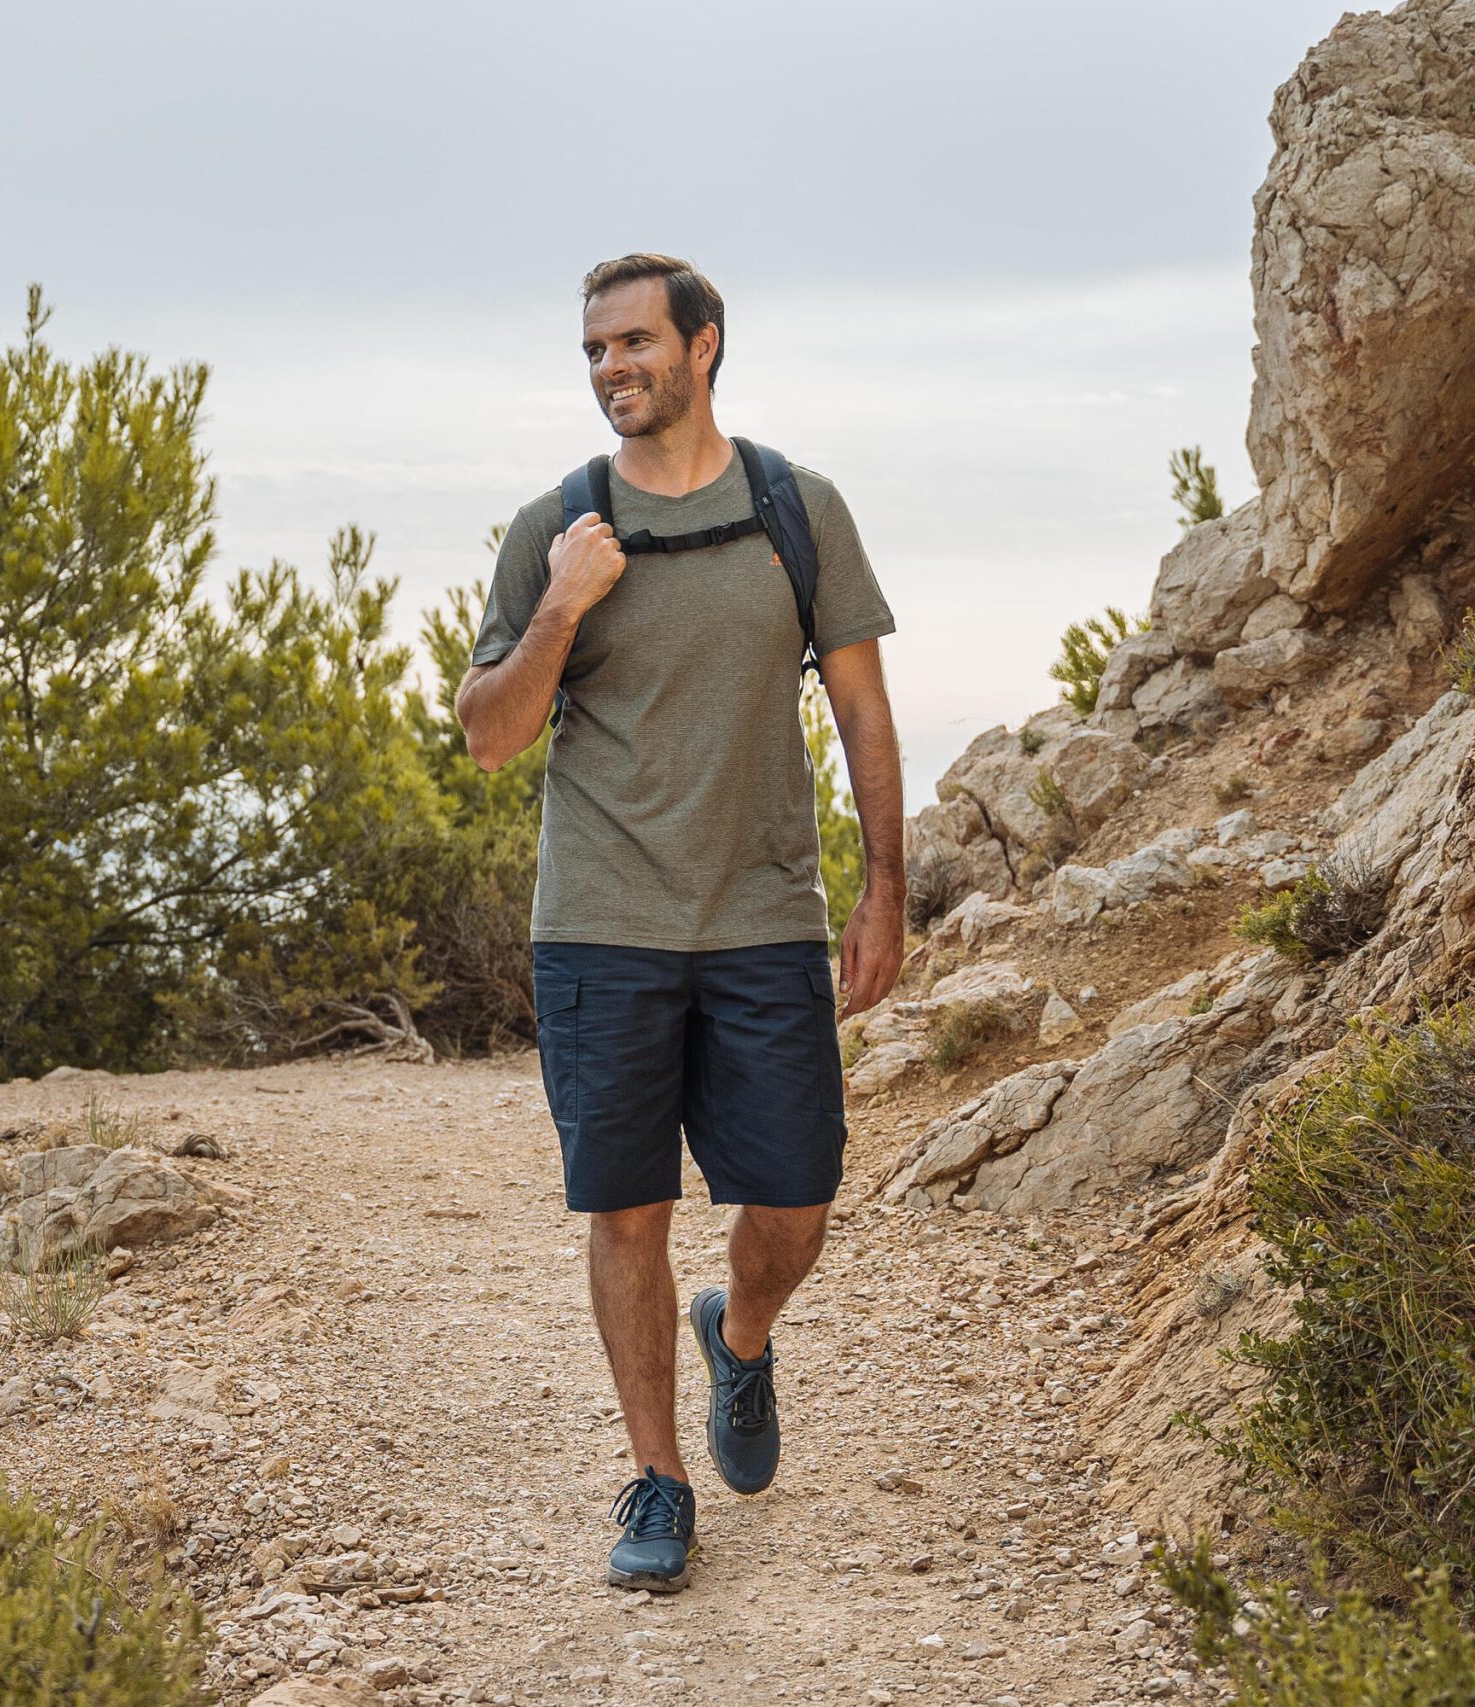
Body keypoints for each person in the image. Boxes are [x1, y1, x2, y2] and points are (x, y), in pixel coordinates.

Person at [453, 253, 905, 1593]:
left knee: (798, 1195)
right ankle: (658, 1480)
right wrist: (562, 605)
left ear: (704, 345)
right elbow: (489, 736)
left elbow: (864, 709)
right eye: (595, 349)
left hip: (765, 913)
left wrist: (886, 887)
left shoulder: (795, 508)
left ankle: (741, 1335)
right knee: (628, 1210)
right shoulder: (556, 526)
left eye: (636, 342)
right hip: (602, 924)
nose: (612, 369)